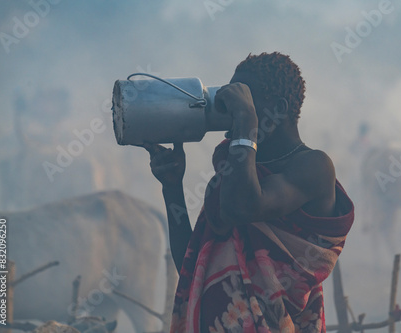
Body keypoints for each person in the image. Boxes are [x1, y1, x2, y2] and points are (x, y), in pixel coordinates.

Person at [145, 52, 354, 332]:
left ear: (278, 109)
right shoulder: (234, 174)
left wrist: (246, 121)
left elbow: (242, 208)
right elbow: (192, 267)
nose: (231, 112)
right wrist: (172, 188)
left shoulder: (313, 167)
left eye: (244, 101)